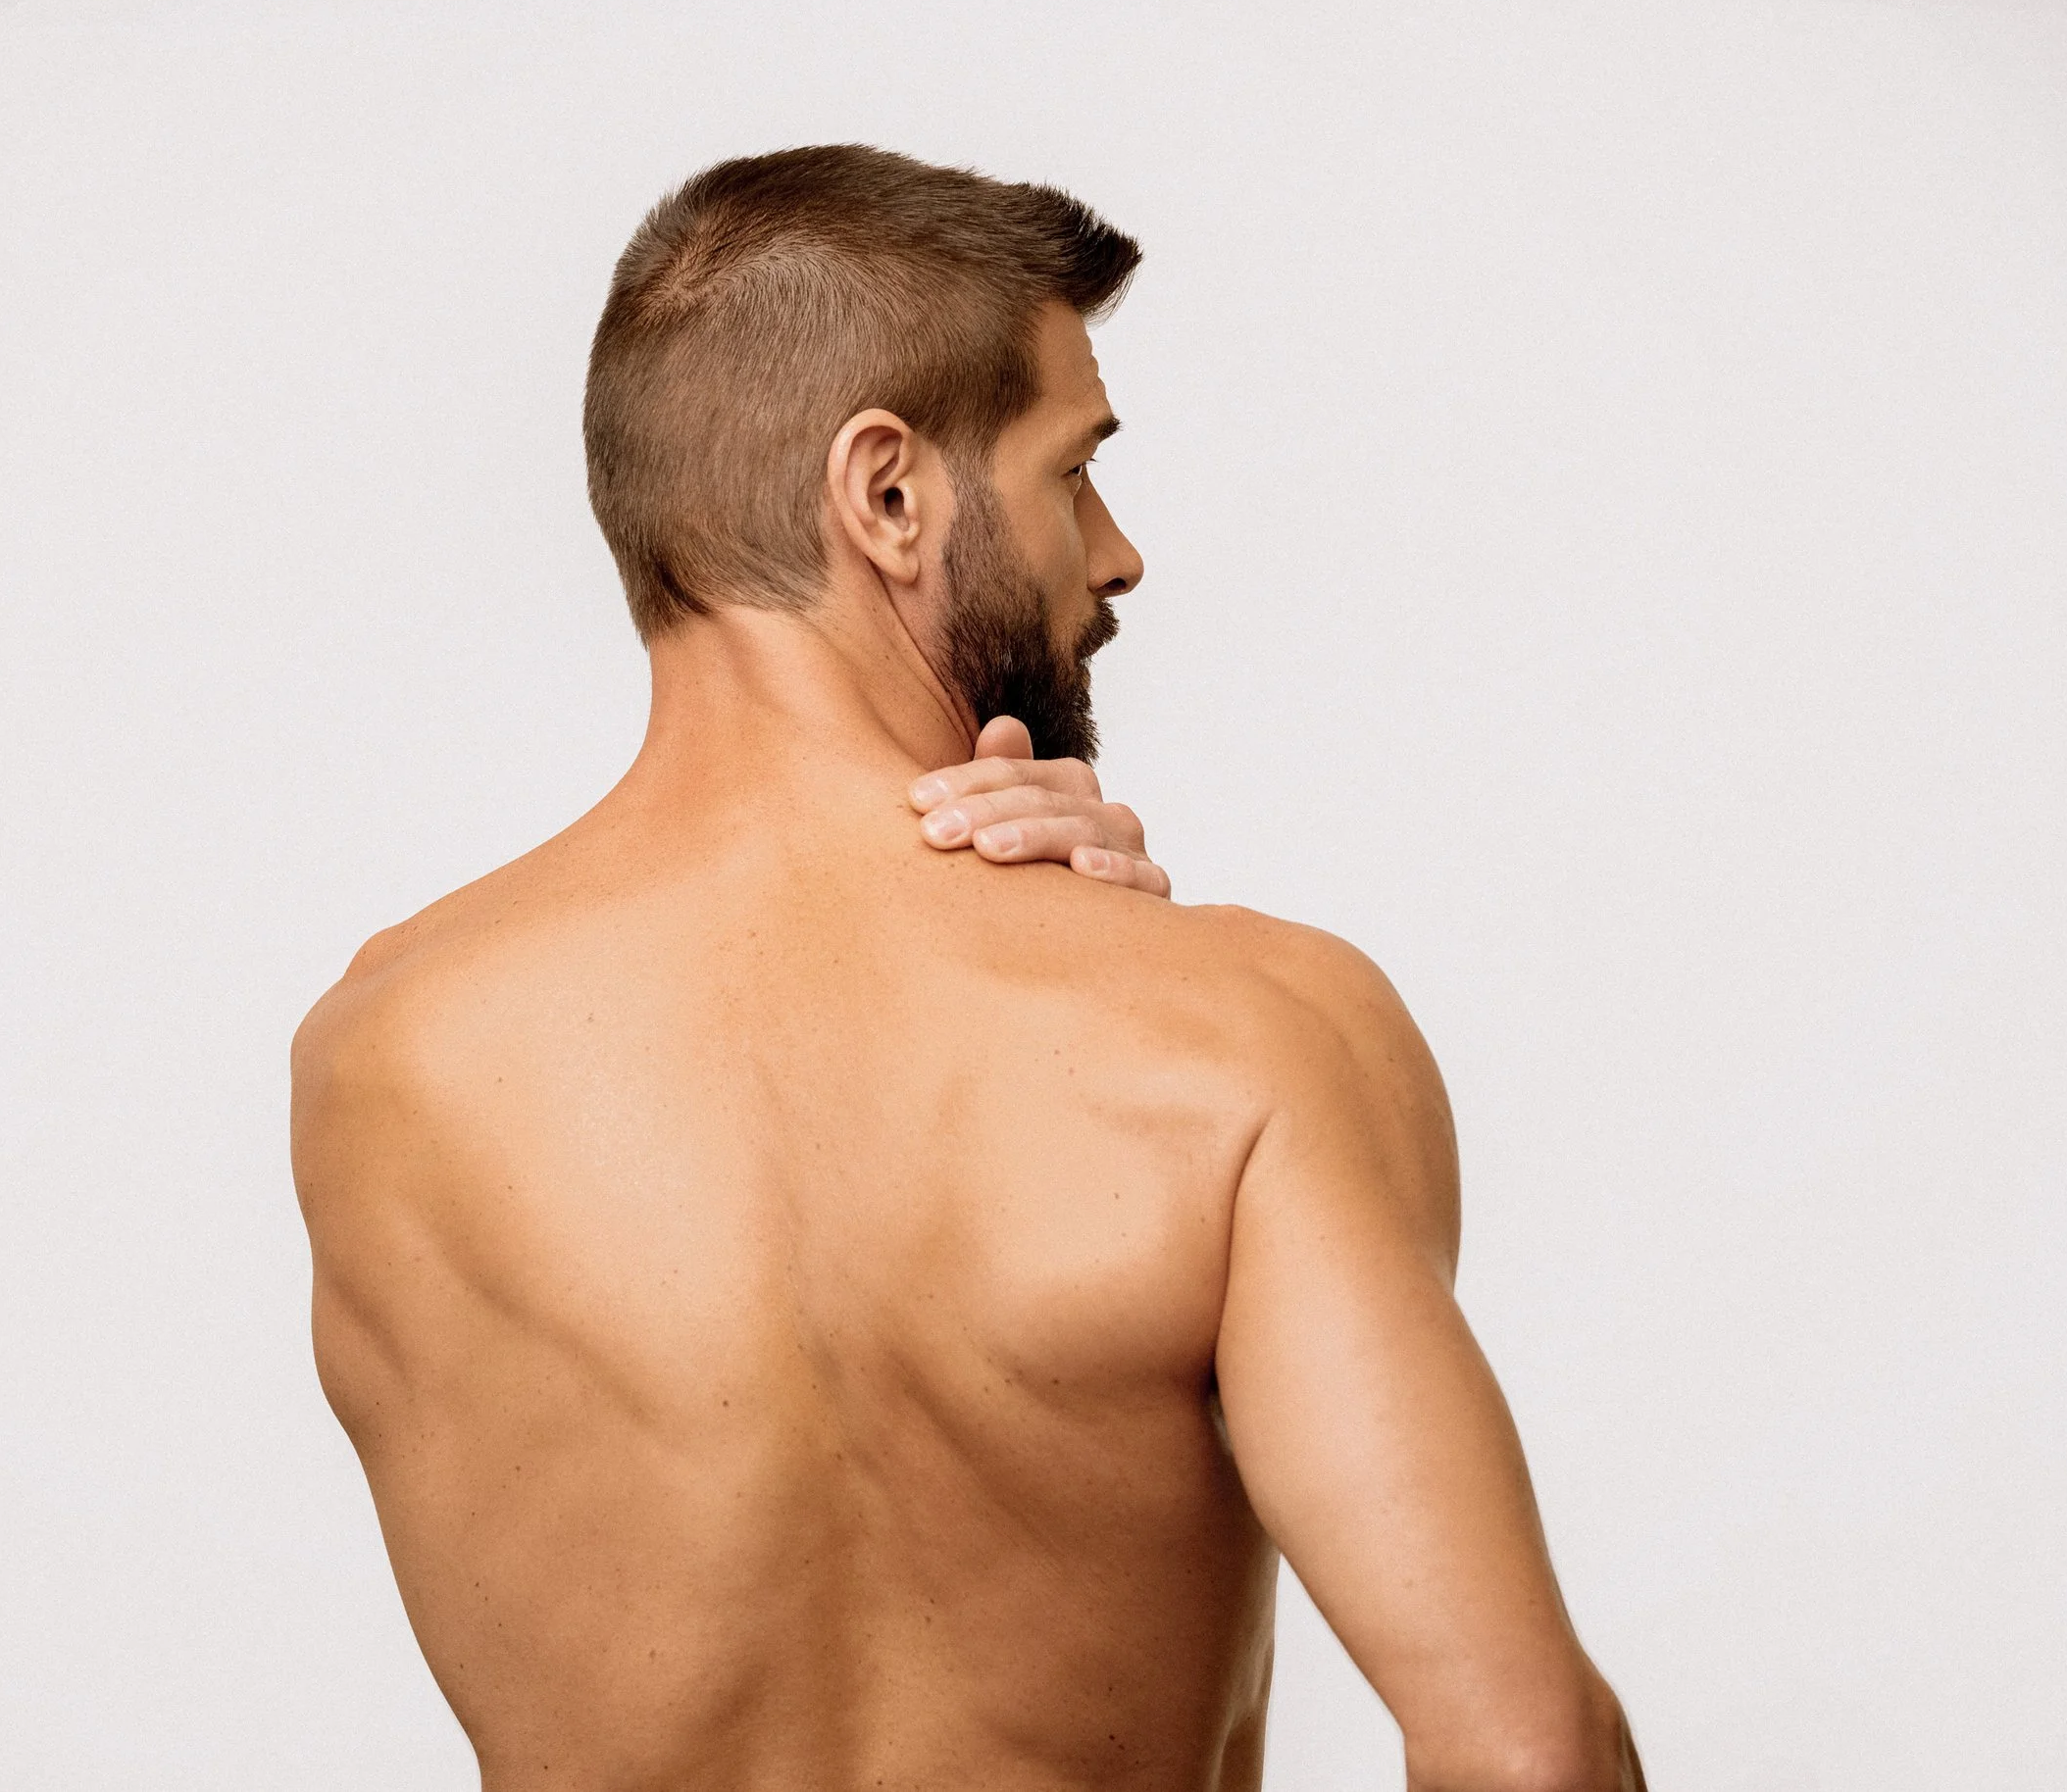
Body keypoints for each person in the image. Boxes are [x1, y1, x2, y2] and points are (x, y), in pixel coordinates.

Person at [291, 144, 1644, 1792]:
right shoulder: (1245, 1041)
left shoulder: (381, 1060)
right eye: (1076, 471)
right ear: (889, 495)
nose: (1120, 551)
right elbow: (1527, 1754)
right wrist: (1153, 983)